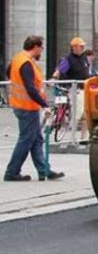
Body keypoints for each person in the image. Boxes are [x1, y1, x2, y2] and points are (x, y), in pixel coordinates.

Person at [4, 36, 64, 182]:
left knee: (36, 139)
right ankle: (12, 172)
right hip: (27, 107)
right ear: (36, 47)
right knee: (26, 140)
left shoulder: (18, 59)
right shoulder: (26, 63)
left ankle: (44, 170)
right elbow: (30, 88)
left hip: (22, 105)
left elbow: (9, 73)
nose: (41, 51)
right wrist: (44, 105)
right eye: (41, 48)